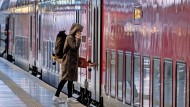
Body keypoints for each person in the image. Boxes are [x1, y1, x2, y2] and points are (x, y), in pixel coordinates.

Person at [52, 23, 84, 103]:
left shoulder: (71, 38)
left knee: (70, 80)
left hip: (71, 63)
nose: (80, 33)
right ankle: (56, 96)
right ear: (75, 31)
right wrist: (78, 39)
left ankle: (69, 97)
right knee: (64, 80)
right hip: (68, 63)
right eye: (79, 31)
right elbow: (75, 47)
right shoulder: (69, 38)